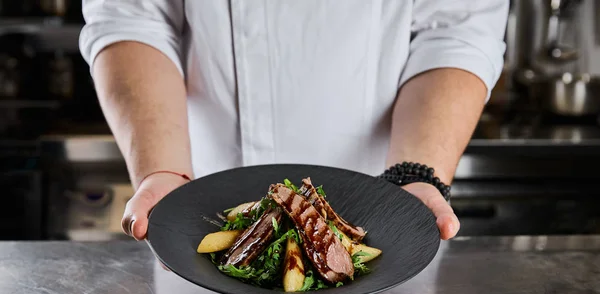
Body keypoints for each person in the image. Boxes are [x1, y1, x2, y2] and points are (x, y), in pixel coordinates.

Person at [80, 1, 508, 241]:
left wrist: (414, 173)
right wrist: (164, 168)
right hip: (202, 203)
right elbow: (131, 16)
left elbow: (455, 31)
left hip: (380, 210)